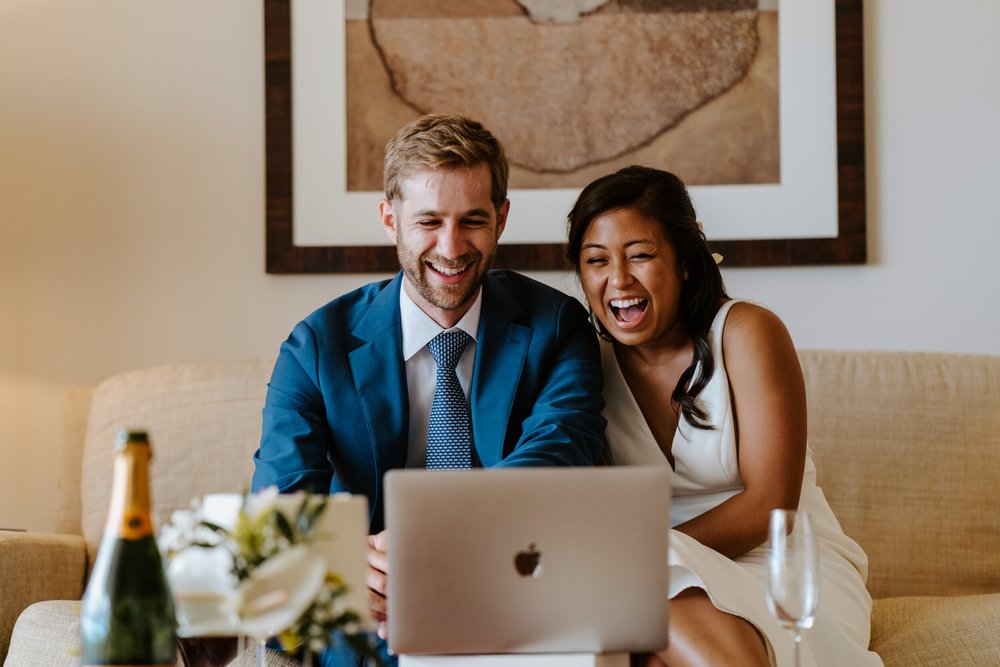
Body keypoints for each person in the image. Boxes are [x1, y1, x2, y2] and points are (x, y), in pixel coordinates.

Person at [251, 113, 607, 664]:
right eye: (428, 221)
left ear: (502, 219)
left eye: (472, 220)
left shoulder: (557, 326)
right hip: (372, 617)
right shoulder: (315, 347)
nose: (451, 246)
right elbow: (278, 502)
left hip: (512, 594)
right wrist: (338, 559)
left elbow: (563, 450)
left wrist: (434, 534)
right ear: (389, 218)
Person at [566, 165, 883, 667]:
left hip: (785, 566)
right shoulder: (584, 369)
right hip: (662, 581)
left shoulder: (746, 332)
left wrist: (643, 557)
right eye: (596, 260)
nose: (618, 279)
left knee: (635, 586)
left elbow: (770, 507)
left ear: (685, 262)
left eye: (641, 255)